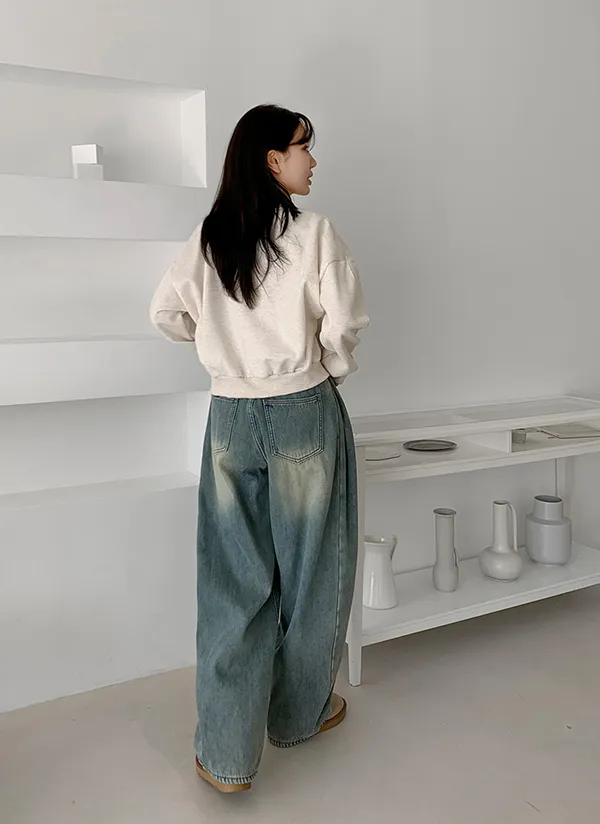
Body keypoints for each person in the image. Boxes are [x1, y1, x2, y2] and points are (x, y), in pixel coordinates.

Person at [150, 104, 369, 793]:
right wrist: (326, 368)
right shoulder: (314, 233)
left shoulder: (210, 236)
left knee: (231, 580)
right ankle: (299, 714)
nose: (313, 160)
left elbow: (166, 313)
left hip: (230, 416)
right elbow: (345, 323)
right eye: (304, 147)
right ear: (273, 159)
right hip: (303, 409)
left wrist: (226, 350)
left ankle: (226, 756)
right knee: (314, 572)